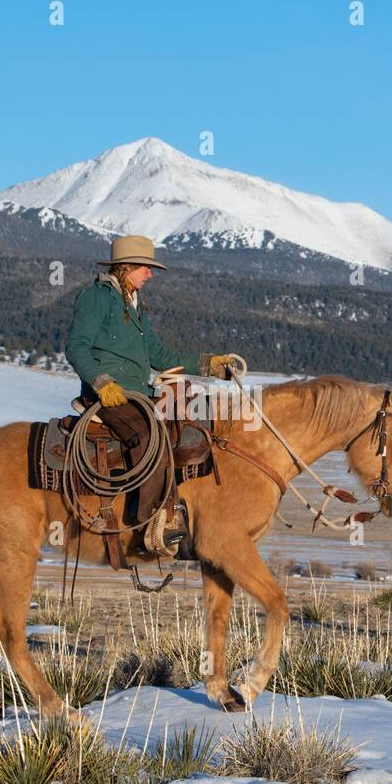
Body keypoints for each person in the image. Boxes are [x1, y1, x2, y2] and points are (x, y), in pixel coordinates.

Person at [65, 235, 239, 555]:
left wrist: (208, 364)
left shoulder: (136, 303)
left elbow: (160, 353)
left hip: (139, 394)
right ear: (127, 266)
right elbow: (76, 347)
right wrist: (101, 382)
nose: (150, 275)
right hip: (108, 396)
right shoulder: (95, 298)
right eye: (146, 268)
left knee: (185, 424)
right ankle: (149, 525)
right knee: (149, 435)